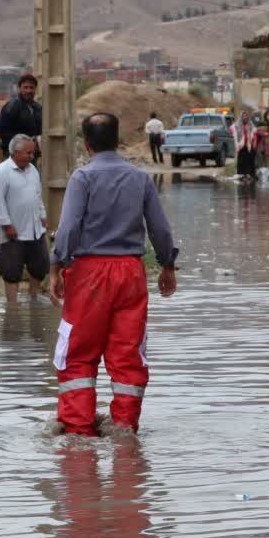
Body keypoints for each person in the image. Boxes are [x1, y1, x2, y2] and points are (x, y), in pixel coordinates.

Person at [50, 112, 178, 437]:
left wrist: (56, 266)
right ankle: (123, 427)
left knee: (78, 352)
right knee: (128, 351)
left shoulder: (82, 178)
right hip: (131, 274)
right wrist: (167, 265)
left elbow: (67, 228)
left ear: (87, 143)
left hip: (88, 272)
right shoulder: (140, 178)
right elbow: (160, 229)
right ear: (117, 140)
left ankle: (78, 430)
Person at [0, 135, 49, 303]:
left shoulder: (33, 170)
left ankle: (33, 299)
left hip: (35, 229)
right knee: (11, 272)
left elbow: (37, 197)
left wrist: (43, 216)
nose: (32, 156)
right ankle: (12, 308)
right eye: (28, 153)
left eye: (33, 152)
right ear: (16, 152)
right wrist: (6, 225)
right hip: (13, 232)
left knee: (39, 268)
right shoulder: (1, 172)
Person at [0, 73, 43, 158]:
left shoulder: (38, 108)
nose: (29, 91)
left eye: (31, 87)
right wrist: (20, 144)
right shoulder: (12, 107)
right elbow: (2, 132)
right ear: (19, 89)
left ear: (35, 89)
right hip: (15, 154)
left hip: (32, 154)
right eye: (25, 87)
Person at [232, 110, 257, 179]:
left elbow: (254, 133)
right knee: (242, 160)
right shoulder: (237, 125)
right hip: (241, 145)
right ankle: (242, 174)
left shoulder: (251, 124)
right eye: (244, 116)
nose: (245, 117)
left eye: (246, 116)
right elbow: (232, 130)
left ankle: (250, 174)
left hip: (249, 145)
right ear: (241, 117)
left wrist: (254, 142)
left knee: (250, 160)